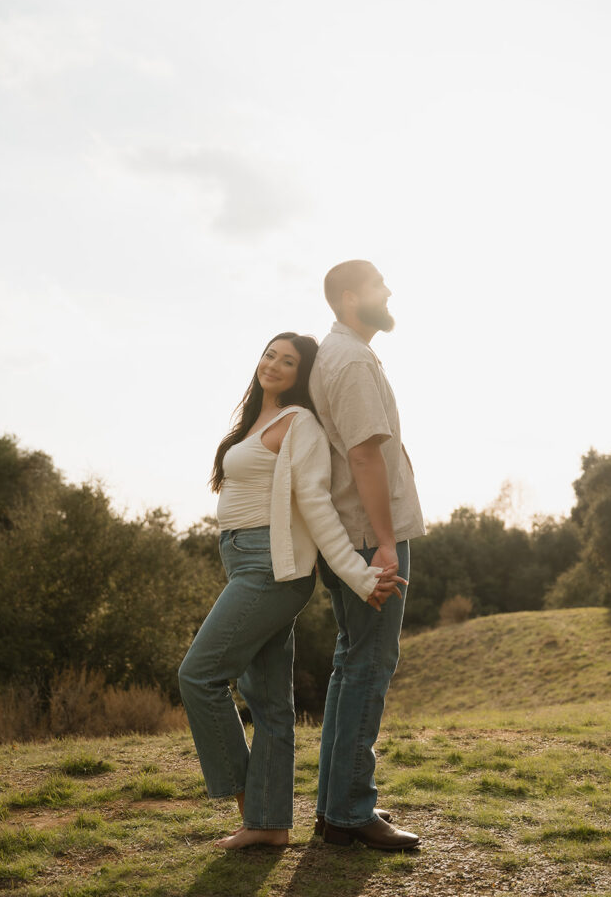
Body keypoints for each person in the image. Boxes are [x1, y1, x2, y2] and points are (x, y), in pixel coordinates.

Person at [178, 331, 404, 850]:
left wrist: (358, 575)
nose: (274, 365)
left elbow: (316, 504)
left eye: (288, 361)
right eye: (270, 354)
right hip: (243, 561)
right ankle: (270, 826)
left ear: (301, 375)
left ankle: (249, 804)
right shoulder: (253, 423)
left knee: (199, 676)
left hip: (270, 569)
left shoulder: (299, 422)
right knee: (269, 703)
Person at [309, 261, 426, 851]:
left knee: (351, 665)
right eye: (380, 284)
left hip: (354, 534)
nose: (390, 291)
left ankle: (335, 809)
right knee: (370, 665)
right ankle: (351, 812)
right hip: (367, 536)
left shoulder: (343, 353)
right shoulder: (351, 360)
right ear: (351, 297)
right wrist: (384, 540)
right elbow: (363, 455)